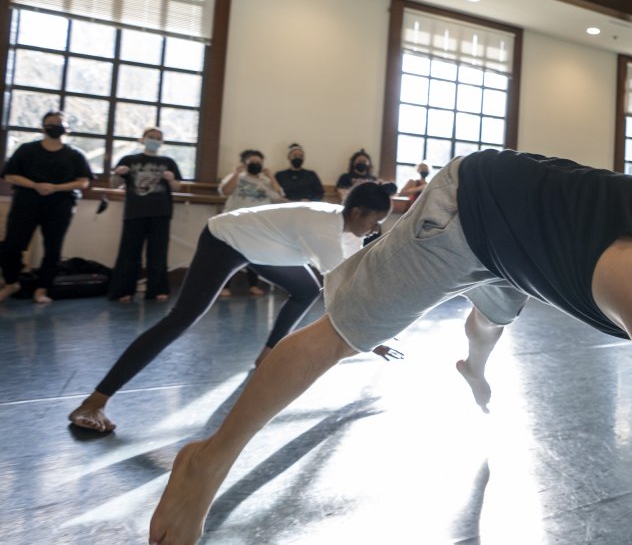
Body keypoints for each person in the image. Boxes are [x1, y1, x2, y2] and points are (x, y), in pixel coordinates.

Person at [147, 150, 632, 545]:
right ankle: (206, 459)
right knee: (340, 335)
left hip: (530, 242)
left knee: (492, 316)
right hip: (474, 213)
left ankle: (472, 359)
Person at [68, 181, 396, 433]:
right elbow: (339, 293)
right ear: (357, 213)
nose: (375, 228)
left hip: (262, 246)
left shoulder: (348, 232)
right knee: (181, 318)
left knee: (304, 288)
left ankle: (268, 353)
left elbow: (355, 279)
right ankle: (93, 402)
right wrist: (370, 337)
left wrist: (381, 317)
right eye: (375, 220)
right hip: (225, 239)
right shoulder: (323, 228)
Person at [0, 111, 93, 304]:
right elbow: (9, 175)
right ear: (42, 127)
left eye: (59, 123)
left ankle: (42, 289)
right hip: (26, 202)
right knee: (12, 244)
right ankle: (11, 282)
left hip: (60, 205)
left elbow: (83, 182)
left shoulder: (75, 154)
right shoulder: (26, 149)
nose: (55, 126)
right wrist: (35, 185)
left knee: (53, 247)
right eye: (51, 123)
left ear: (66, 129)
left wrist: (55, 187)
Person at [108, 127, 183, 303]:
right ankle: (123, 290)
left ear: (162, 142)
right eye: (151, 137)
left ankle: (157, 290)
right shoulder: (129, 160)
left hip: (161, 213)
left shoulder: (168, 162)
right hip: (134, 212)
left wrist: (171, 179)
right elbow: (114, 184)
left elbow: (177, 187)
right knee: (129, 252)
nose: (154, 140)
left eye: (158, 138)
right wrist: (119, 174)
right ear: (142, 139)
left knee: (158, 252)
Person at [218, 149, 284, 296]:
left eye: (258, 163)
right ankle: (224, 286)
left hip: (257, 224)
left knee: (253, 255)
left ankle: (253, 285)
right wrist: (236, 173)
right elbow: (225, 191)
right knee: (230, 255)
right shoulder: (237, 177)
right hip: (235, 223)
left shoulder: (265, 181)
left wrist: (271, 176)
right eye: (252, 162)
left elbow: (279, 196)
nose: (256, 165)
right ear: (244, 164)